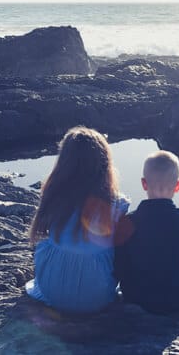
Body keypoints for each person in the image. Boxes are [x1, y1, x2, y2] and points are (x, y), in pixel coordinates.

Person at [25, 126, 129, 314]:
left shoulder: (54, 195)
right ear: (104, 165)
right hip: (97, 297)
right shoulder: (116, 204)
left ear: (64, 164)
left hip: (52, 291)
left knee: (49, 245)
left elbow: (43, 233)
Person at [115, 150, 179, 314]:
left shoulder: (128, 222)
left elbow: (120, 263)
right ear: (178, 185)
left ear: (144, 184)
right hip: (178, 298)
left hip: (136, 297)